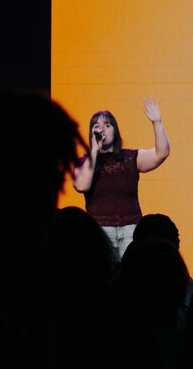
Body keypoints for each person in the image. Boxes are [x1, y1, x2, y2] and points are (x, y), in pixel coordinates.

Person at [73, 96, 170, 263]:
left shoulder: (130, 158)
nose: (102, 129)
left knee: (132, 276)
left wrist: (157, 122)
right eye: (97, 126)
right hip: (100, 231)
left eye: (107, 125)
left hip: (130, 230)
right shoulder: (83, 163)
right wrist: (94, 151)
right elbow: (81, 185)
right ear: (92, 134)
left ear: (115, 131)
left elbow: (161, 153)